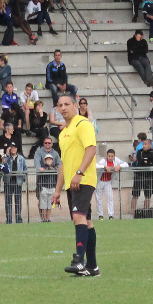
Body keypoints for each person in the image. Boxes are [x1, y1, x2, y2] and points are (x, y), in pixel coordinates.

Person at [51, 93, 100, 276]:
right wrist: (57, 190)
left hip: (84, 179)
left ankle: (79, 260)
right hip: (72, 183)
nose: (63, 108)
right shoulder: (63, 133)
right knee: (86, 221)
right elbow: (63, 163)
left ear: (74, 105)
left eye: (66, 104)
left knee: (78, 217)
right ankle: (92, 267)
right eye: (59, 105)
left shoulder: (83, 124)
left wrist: (79, 173)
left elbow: (92, 148)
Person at [130, 138, 153, 216]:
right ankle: (132, 212)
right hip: (139, 175)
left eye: (145, 144)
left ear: (150, 145)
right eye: (143, 144)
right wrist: (150, 163)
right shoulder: (140, 152)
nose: (143, 146)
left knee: (148, 195)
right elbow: (141, 162)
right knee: (135, 195)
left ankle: (146, 211)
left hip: (149, 176)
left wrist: (148, 162)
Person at [95, 149, 127, 221]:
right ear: (107, 156)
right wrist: (104, 167)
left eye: (112, 156)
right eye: (109, 156)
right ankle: (100, 215)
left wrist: (119, 166)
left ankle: (111, 215)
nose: (110, 157)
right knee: (99, 199)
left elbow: (126, 164)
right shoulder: (103, 161)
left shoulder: (116, 160)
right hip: (100, 181)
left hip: (108, 182)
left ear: (114, 156)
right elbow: (96, 165)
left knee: (110, 198)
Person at [34, 138, 61, 222]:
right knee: (41, 199)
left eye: (49, 143)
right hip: (41, 181)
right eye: (45, 143)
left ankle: (47, 218)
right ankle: (42, 217)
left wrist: (52, 169)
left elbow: (59, 165)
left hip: (52, 181)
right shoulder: (39, 152)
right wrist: (43, 169)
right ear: (43, 143)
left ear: (52, 144)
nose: (47, 144)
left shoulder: (55, 153)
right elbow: (38, 166)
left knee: (50, 201)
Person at [3, 143, 27, 224]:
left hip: (17, 181)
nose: (13, 149)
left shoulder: (21, 158)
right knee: (8, 201)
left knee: (18, 201)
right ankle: (9, 219)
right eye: (11, 148)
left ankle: (18, 218)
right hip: (8, 181)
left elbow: (25, 168)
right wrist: (6, 153)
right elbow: (3, 164)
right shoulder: (7, 158)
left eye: (14, 148)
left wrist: (23, 178)